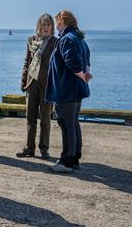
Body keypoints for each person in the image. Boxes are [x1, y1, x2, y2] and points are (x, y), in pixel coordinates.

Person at [46, 10, 92, 173]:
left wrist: (82, 75)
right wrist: (85, 75)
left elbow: (74, 64)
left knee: (66, 124)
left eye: (57, 22)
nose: (56, 25)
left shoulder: (67, 39)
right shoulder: (79, 39)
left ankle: (67, 161)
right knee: (73, 123)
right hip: (76, 89)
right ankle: (74, 159)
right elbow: (86, 62)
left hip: (66, 89)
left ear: (63, 22)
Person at [17, 13, 56, 159]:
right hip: (31, 83)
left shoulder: (56, 42)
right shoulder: (31, 40)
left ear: (52, 27)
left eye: (48, 24)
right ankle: (29, 148)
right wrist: (23, 81)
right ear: (38, 26)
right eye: (43, 24)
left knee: (45, 119)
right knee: (30, 118)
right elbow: (27, 61)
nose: (45, 27)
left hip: (47, 85)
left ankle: (44, 148)